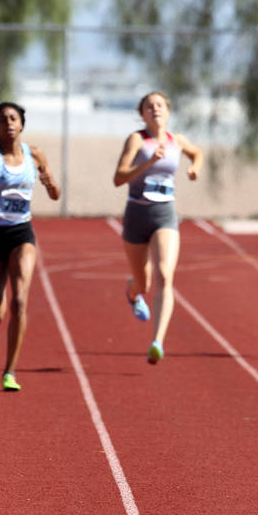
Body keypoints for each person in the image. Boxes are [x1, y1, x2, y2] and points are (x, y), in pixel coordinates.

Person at [0, 102, 60, 392]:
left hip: (22, 234)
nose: (9, 123)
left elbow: (55, 195)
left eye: (13, 118)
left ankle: (10, 371)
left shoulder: (35, 155)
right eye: (2, 119)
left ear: (21, 124)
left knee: (20, 301)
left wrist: (50, 183)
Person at [113, 91, 203, 364]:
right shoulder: (137, 140)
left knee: (165, 274)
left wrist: (194, 167)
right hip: (137, 215)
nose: (155, 110)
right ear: (142, 114)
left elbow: (196, 152)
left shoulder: (178, 140)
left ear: (168, 111)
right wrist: (149, 162)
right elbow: (119, 178)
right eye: (149, 106)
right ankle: (132, 291)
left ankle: (157, 341)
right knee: (143, 282)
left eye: (160, 105)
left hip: (165, 214)